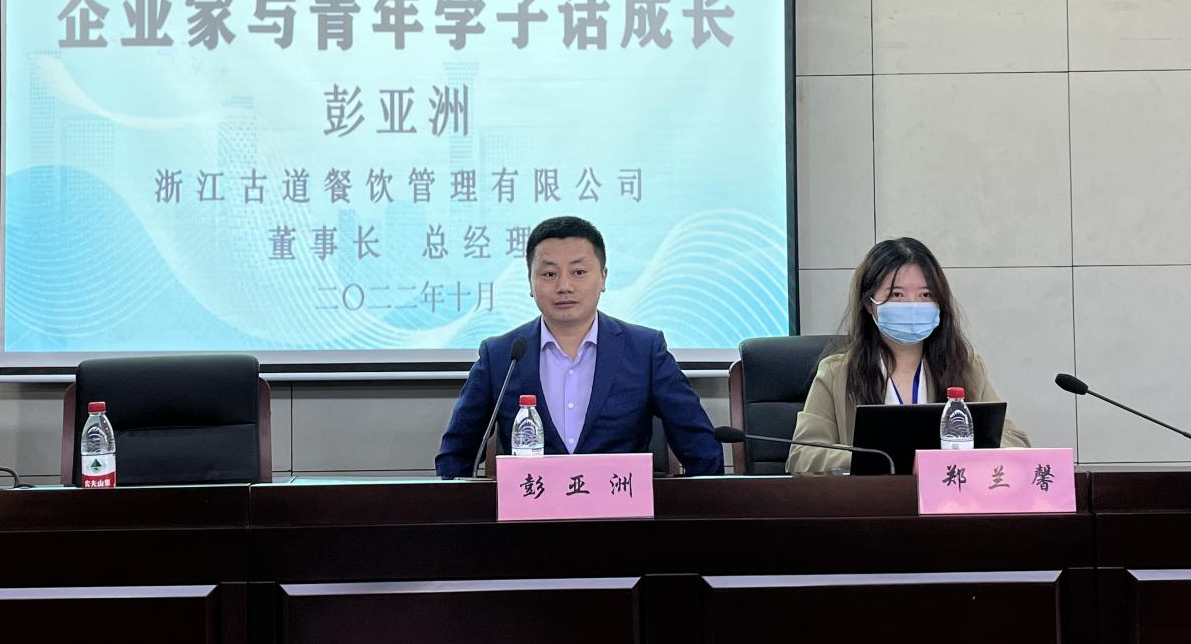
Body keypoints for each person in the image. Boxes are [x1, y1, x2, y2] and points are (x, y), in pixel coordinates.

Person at [436, 216, 723, 478]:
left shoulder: (645, 350)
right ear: (530, 283)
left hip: (623, 515)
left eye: (579, 271)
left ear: (603, 277)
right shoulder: (501, 355)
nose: (564, 286)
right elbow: (456, 455)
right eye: (549, 274)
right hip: (530, 515)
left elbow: (701, 449)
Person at [786, 237, 1029, 474]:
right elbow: (802, 455)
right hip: (872, 498)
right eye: (897, 294)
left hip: (948, 495)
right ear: (870, 304)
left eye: (925, 295)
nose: (913, 305)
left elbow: (1014, 441)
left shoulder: (967, 368)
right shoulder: (837, 373)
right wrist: (881, 458)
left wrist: (961, 453)